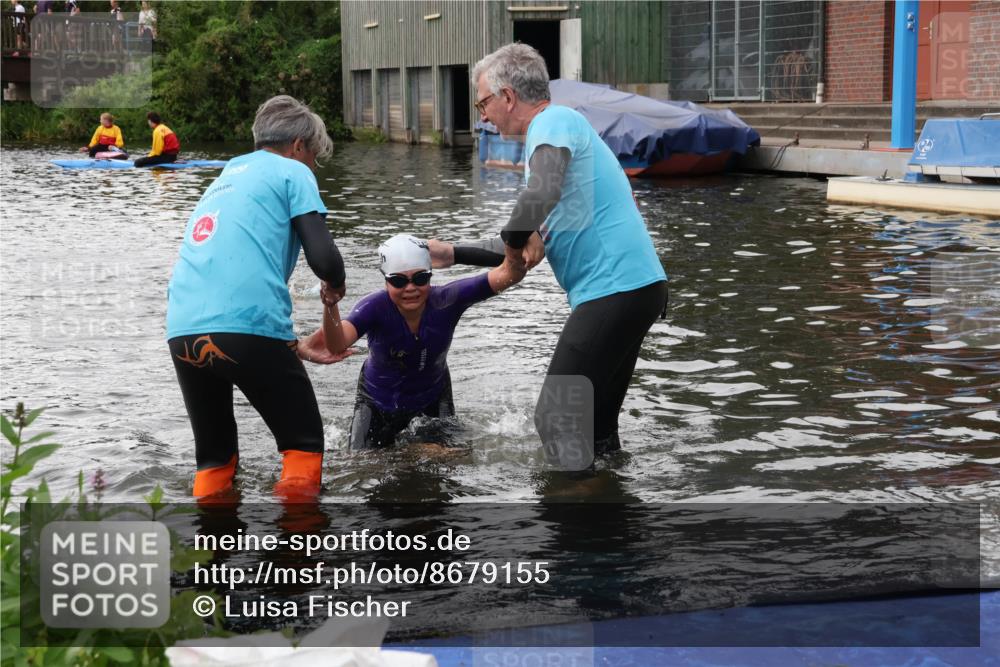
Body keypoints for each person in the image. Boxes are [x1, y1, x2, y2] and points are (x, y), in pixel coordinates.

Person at [429, 43, 668, 469]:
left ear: (507, 97)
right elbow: (529, 237)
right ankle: (608, 520)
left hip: (615, 292)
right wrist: (452, 253)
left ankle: (574, 520)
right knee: (596, 429)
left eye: (482, 102)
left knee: (556, 417)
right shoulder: (559, 156)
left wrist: (513, 239)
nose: (481, 116)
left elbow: (535, 202)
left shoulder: (554, 121)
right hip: (636, 291)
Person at [165, 95, 346, 499]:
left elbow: (227, 276)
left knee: (214, 456)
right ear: (299, 146)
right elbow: (325, 260)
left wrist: (290, 344)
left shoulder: (225, 176)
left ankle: (210, 553)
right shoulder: (292, 172)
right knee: (303, 443)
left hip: (182, 330)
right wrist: (335, 285)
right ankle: (296, 553)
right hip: (246, 329)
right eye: (314, 155)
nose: (313, 165)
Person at [298, 234, 526, 451]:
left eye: (420, 278)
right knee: (362, 467)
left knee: (451, 458)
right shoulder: (374, 308)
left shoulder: (449, 299)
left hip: (433, 396)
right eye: (398, 281)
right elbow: (337, 345)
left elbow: (510, 274)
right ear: (385, 281)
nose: (410, 288)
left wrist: (520, 238)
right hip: (376, 402)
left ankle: (411, 455)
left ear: (430, 275)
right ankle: (409, 454)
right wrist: (330, 305)